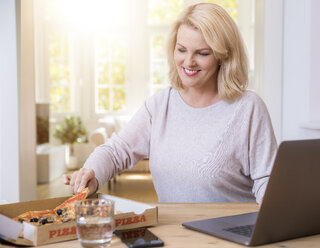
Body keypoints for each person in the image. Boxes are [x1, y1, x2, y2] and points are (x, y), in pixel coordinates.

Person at [63, 3, 277, 204]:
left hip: (232, 234)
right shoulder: (159, 106)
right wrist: (91, 174)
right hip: (175, 230)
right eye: (181, 49)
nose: (188, 62)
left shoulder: (248, 108)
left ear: (223, 56)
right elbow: (116, 151)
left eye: (202, 53)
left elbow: (268, 180)